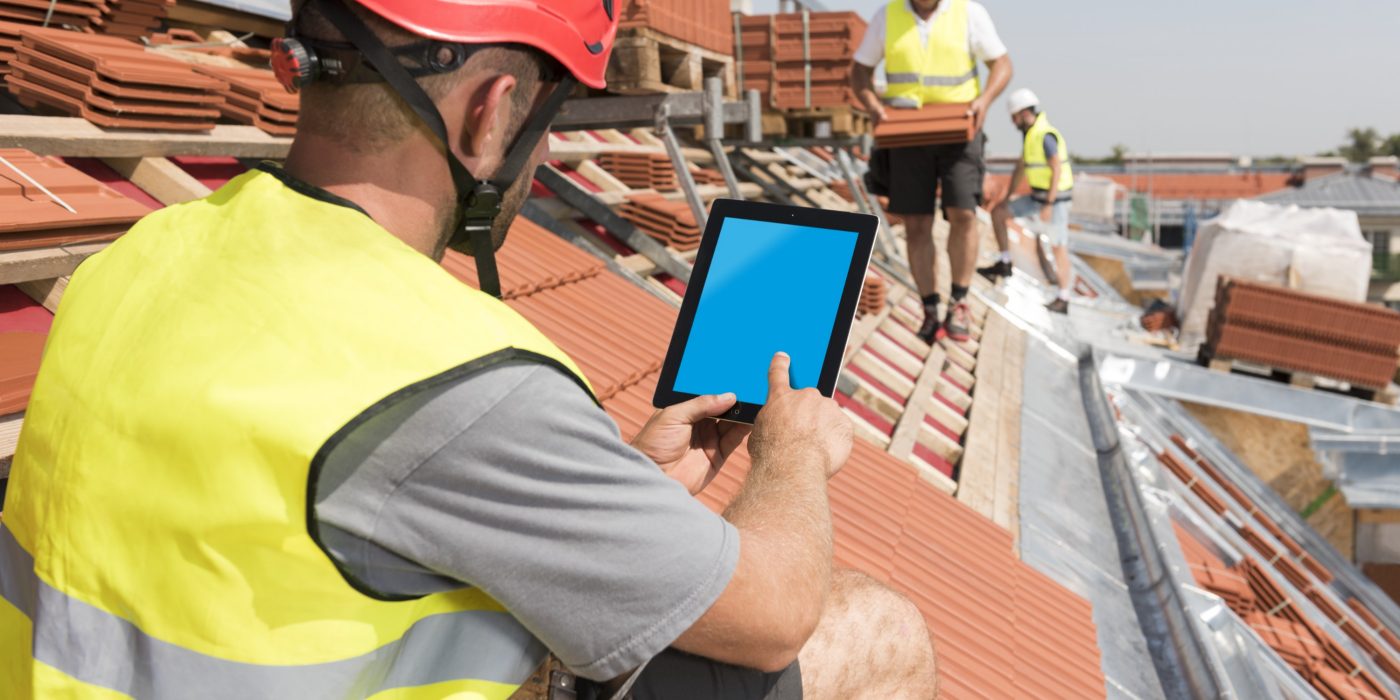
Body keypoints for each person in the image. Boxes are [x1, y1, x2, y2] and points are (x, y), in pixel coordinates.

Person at [0, 0, 938, 698]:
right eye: (549, 118)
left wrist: (620, 488)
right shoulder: (454, 372)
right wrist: (793, 456)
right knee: (881, 632)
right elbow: (773, 615)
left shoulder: (142, 254)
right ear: (493, 112)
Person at [851, 0, 1012, 343]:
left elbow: (1002, 63)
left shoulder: (968, 12)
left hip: (959, 132)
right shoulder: (888, 16)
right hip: (907, 134)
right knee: (916, 223)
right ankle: (929, 309)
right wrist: (875, 107)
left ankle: (960, 303)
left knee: (963, 214)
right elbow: (860, 71)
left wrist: (984, 101)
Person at [986, 88, 1075, 313]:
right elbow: (1020, 168)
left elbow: (1055, 168)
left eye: (1014, 117)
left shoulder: (1044, 135)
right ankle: (1005, 262)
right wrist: (1006, 199)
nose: (1012, 122)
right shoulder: (1030, 136)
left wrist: (1048, 205)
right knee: (998, 213)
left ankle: (1063, 297)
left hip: (1055, 202)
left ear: (1024, 113)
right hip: (1037, 197)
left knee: (1058, 247)